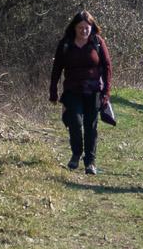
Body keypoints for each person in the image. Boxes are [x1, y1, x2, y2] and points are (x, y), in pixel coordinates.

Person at [48, 10, 112, 174]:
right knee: (75, 123)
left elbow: (107, 67)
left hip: (93, 91)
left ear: (91, 27)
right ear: (74, 28)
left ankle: (90, 162)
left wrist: (106, 92)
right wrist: (53, 90)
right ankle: (76, 153)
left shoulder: (97, 42)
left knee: (91, 126)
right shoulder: (66, 44)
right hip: (72, 90)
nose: (84, 31)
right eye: (80, 28)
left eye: (87, 28)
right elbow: (57, 68)